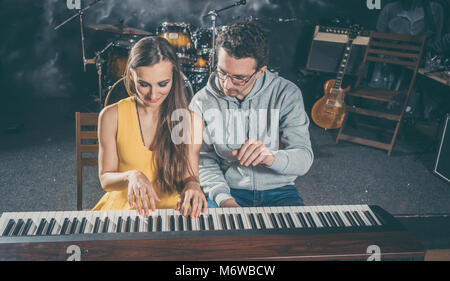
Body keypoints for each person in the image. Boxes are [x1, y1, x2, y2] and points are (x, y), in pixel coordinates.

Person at [189, 21, 314, 208]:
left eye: (239, 78)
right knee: (213, 236)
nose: (226, 85)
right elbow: (205, 159)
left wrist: (270, 157)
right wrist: (224, 199)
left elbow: (304, 158)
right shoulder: (201, 101)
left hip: (279, 190)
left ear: (260, 72)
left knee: (297, 238)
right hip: (228, 189)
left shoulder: (287, 93)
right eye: (222, 72)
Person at [93, 36, 207, 218]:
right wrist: (130, 176)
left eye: (163, 84)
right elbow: (106, 179)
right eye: (144, 84)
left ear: (174, 77)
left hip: (172, 213)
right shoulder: (110, 116)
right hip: (124, 211)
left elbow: (190, 176)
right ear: (132, 75)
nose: (153, 95)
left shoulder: (191, 120)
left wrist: (193, 185)